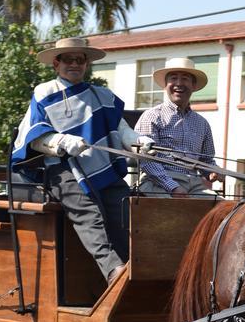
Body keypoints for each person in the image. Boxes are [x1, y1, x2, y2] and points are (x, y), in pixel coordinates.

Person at [12, 37, 154, 285]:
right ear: (56, 63)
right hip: (63, 171)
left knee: (127, 210)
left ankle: (138, 273)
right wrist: (62, 142)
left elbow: (120, 130)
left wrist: (138, 141)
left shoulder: (102, 95)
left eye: (80, 59)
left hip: (105, 170)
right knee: (90, 215)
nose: (75, 64)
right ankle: (114, 272)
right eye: (68, 59)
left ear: (87, 64)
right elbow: (34, 138)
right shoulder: (44, 92)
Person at [135, 57, 220, 197]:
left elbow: (207, 160)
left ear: (193, 85)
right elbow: (146, 160)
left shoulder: (202, 123)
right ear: (165, 85)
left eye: (185, 79)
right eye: (173, 78)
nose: (179, 84)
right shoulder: (151, 116)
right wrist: (173, 187)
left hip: (195, 184)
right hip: (157, 183)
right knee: (175, 213)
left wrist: (212, 171)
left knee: (224, 212)